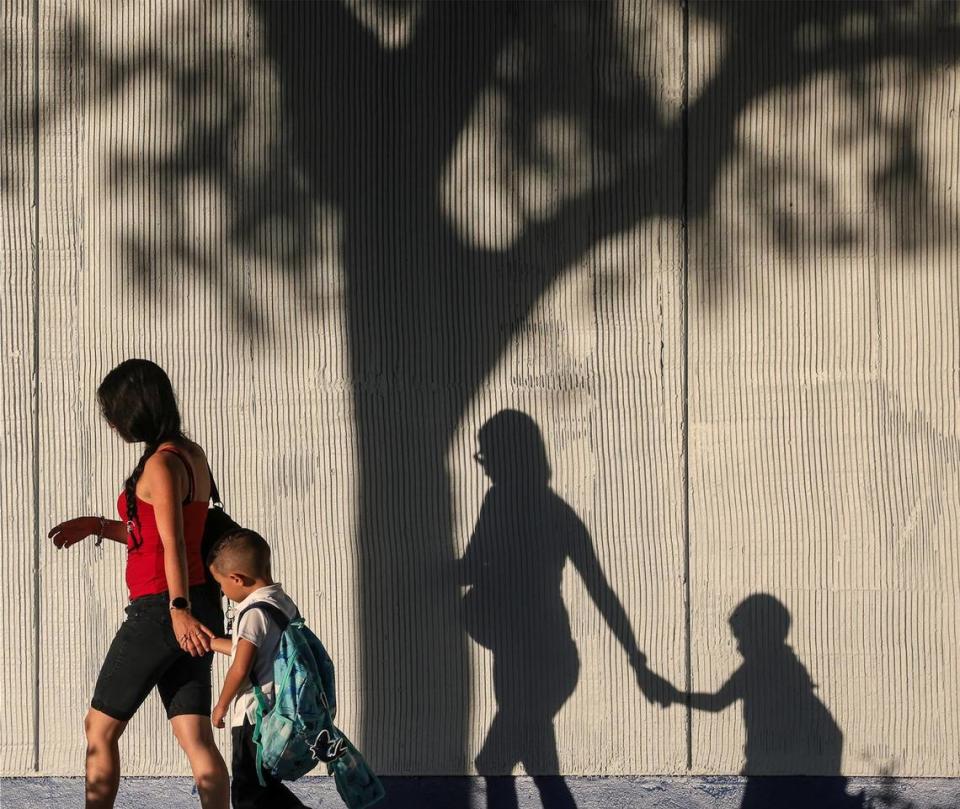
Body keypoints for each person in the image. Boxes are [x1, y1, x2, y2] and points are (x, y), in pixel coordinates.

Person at [48, 358, 229, 809]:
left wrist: (177, 608)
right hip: (195, 603)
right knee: (195, 735)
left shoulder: (161, 466)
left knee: (99, 728)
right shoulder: (190, 454)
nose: (111, 422)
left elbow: (171, 545)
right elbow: (156, 531)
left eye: (113, 412)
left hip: (162, 609)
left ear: (136, 409)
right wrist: (96, 525)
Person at [207, 528, 308, 809]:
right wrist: (214, 643)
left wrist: (221, 705)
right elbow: (257, 650)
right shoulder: (282, 603)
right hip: (277, 712)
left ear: (237, 579)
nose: (224, 592)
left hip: (253, 716)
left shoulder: (251, 613)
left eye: (222, 585)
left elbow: (241, 667)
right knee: (264, 787)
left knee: (247, 793)